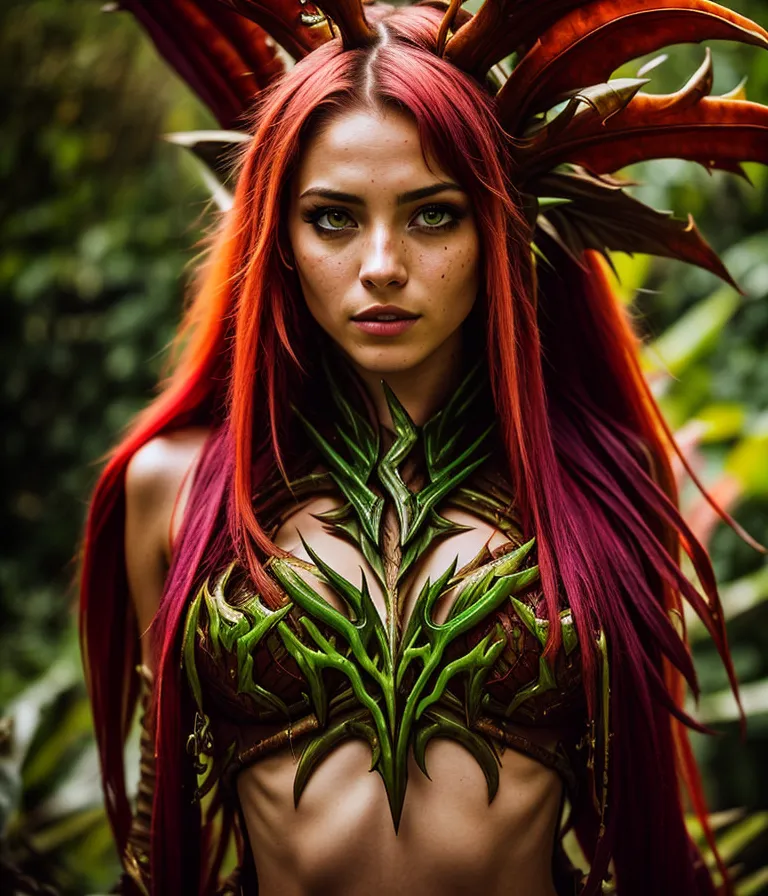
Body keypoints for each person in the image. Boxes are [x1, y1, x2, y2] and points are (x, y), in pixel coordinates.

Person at [79, 1, 768, 894]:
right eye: (331, 218)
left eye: (433, 215)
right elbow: (159, 831)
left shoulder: (604, 483)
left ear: (496, 232)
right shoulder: (172, 489)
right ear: (278, 240)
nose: (381, 263)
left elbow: (641, 822)